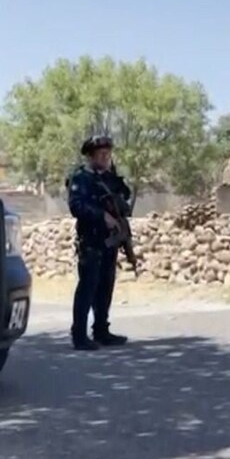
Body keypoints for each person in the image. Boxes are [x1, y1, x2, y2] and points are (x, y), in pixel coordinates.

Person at [67, 134, 132, 350]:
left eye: (108, 154)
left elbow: (124, 199)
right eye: (101, 154)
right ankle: (79, 335)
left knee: (106, 285)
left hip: (110, 240)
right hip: (91, 239)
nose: (105, 157)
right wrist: (102, 216)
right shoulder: (81, 178)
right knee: (88, 286)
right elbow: (76, 206)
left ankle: (101, 330)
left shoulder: (109, 178)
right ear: (91, 156)